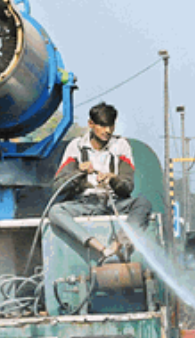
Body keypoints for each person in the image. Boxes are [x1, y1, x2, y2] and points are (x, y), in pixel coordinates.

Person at [47, 102, 152, 262]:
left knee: (143, 203)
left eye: (110, 125)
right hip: (85, 203)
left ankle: (119, 244)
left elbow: (128, 186)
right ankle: (100, 248)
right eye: (102, 125)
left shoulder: (121, 146)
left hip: (114, 203)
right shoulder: (76, 147)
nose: (107, 131)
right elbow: (58, 186)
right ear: (91, 124)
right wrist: (78, 173)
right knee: (55, 212)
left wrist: (113, 179)